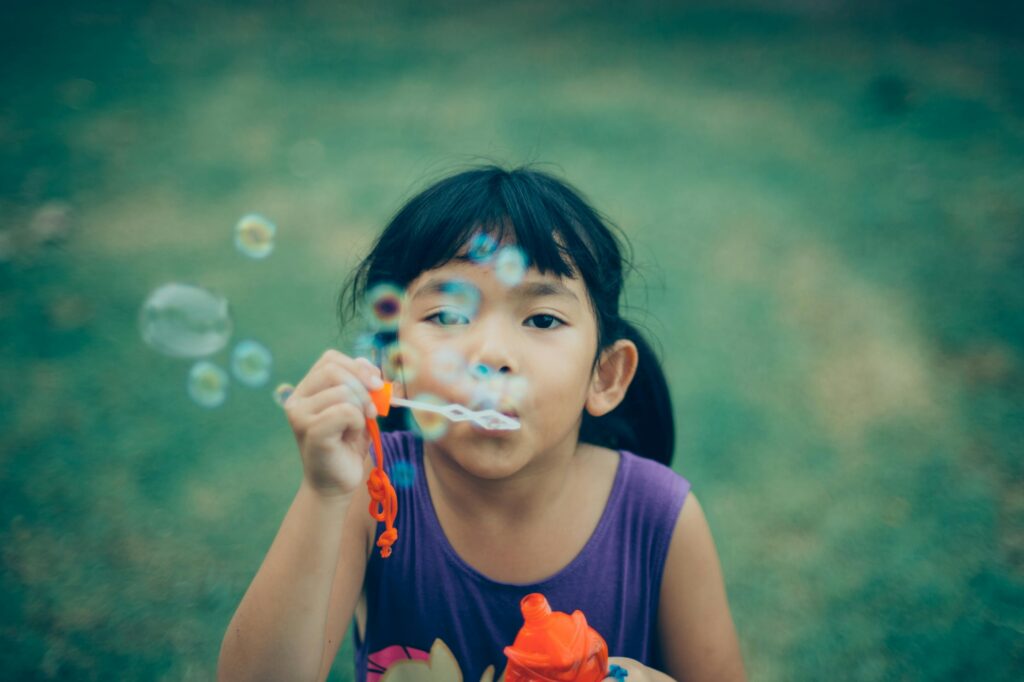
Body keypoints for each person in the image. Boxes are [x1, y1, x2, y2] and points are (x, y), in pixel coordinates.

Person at [218, 165, 746, 682]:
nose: (490, 354)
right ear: (393, 364)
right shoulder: (370, 494)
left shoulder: (659, 518)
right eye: (448, 316)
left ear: (604, 376)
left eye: (542, 319)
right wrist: (324, 493)